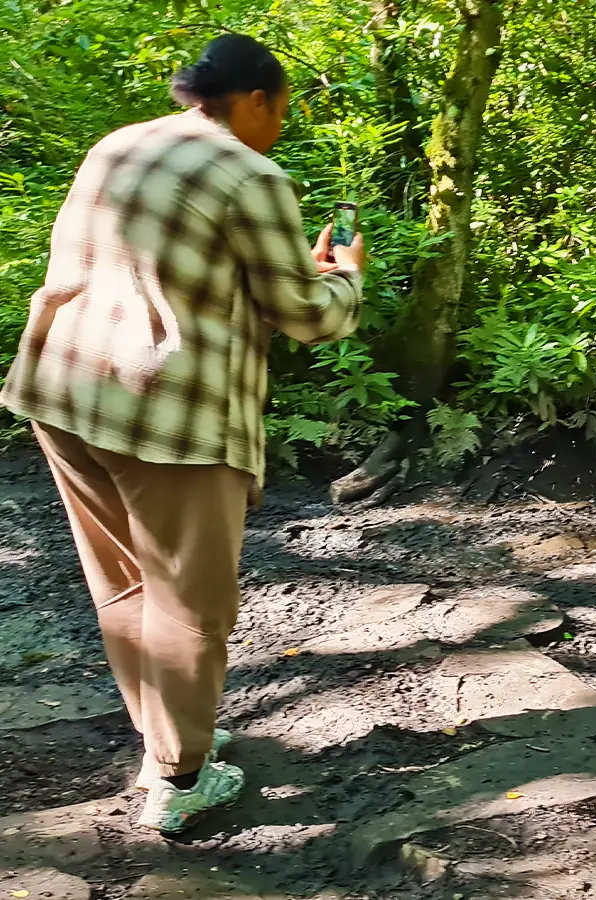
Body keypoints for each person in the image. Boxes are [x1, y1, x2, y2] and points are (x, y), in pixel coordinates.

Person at [0, 34, 365, 834]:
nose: (282, 127)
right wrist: (344, 276)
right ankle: (180, 779)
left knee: (125, 582)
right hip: (168, 416)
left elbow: (177, 268)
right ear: (257, 100)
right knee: (192, 605)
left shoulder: (120, 146)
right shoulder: (249, 172)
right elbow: (306, 316)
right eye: (284, 109)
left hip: (66, 391)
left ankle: (165, 734)